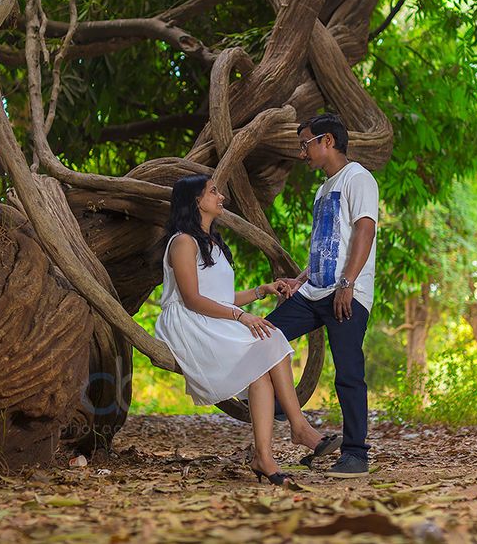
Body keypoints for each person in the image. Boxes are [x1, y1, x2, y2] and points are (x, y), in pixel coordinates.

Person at [155, 174, 342, 486]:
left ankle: (264, 456)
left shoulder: (213, 243)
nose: (221, 196)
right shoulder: (182, 242)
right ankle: (298, 427)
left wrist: (263, 290)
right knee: (272, 339)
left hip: (213, 318)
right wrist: (240, 317)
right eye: (213, 192)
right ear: (196, 201)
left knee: (262, 365)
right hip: (189, 323)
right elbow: (192, 299)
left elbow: (220, 297)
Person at [267, 113, 379, 479]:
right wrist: (300, 279)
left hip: (347, 293)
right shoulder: (322, 189)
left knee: (348, 373)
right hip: (314, 291)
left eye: (306, 144)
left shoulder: (358, 178)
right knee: (265, 335)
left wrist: (347, 284)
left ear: (327, 141)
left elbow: (364, 232)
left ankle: (356, 455)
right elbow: (324, 246)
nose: (303, 153)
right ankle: (284, 404)